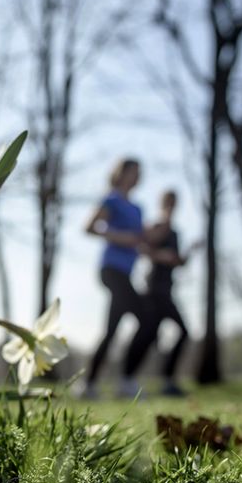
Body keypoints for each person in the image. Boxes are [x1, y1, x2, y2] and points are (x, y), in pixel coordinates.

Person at [119, 190, 198, 397]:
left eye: (174, 203)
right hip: (153, 289)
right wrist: (160, 256)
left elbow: (178, 262)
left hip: (167, 289)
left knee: (179, 332)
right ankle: (127, 378)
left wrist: (191, 250)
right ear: (162, 203)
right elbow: (142, 248)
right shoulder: (155, 227)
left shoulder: (175, 233)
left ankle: (166, 380)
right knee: (148, 333)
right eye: (168, 202)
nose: (171, 207)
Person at [81, 158, 145, 400]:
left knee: (111, 331)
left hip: (127, 272)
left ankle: (89, 385)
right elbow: (89, 227)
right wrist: (119, 236)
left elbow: (140, 240)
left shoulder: (138, 208)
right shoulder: (111, 199)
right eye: (133, 171)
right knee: (146, 319)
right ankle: (126, 380)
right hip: (111, 270)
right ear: (121, 173)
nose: (137, 176)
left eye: (139, 173)